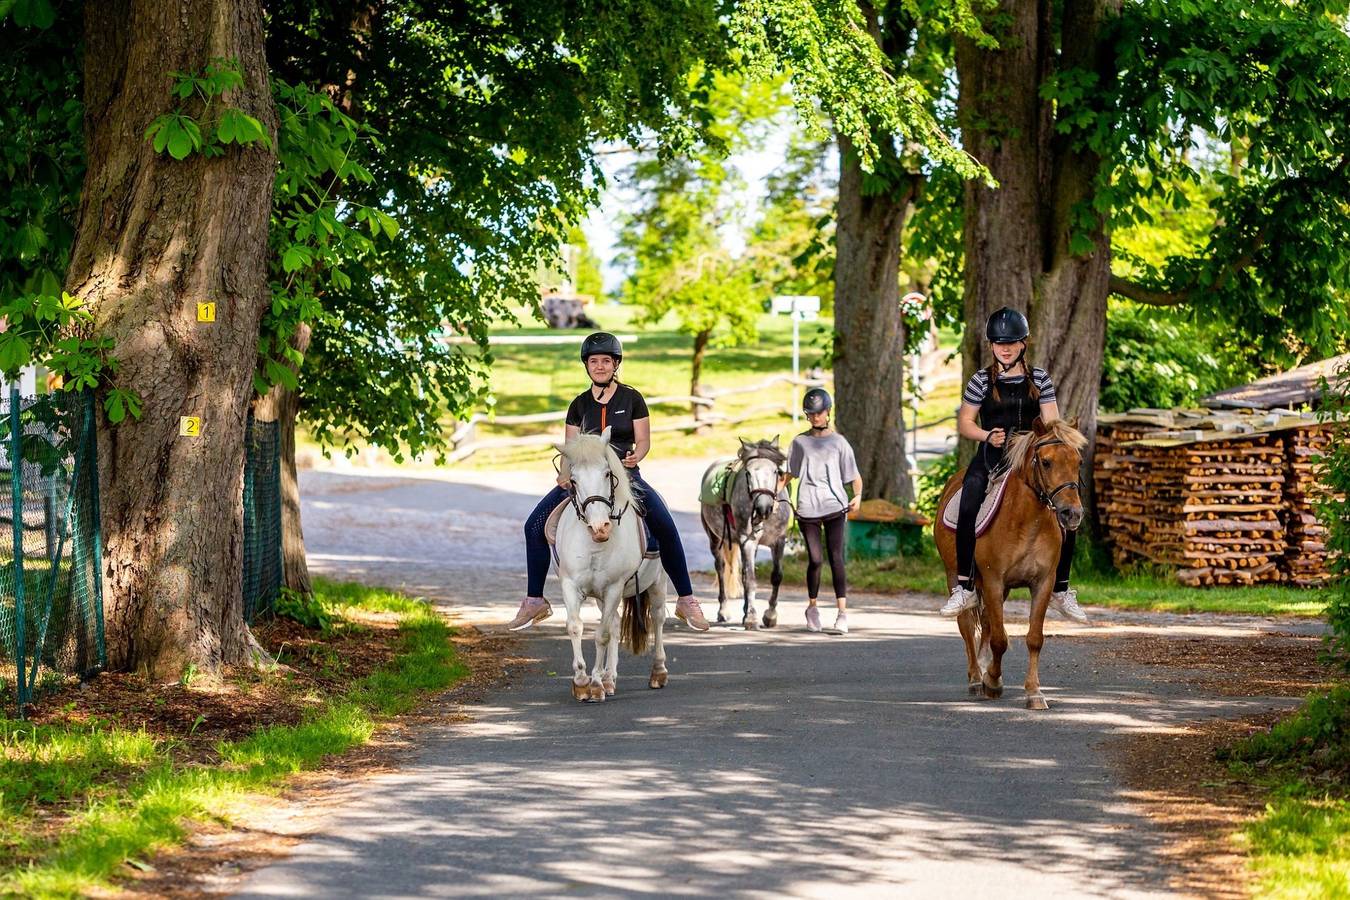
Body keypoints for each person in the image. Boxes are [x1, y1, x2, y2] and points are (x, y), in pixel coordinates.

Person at [506, 332, 711, 632]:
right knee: (533, 526)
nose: (599, 366)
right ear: (586, 366)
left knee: (665, 524)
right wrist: (565, 473)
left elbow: (643, 441)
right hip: (585, 479)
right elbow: (570, 446)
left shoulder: (633, 399)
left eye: (605, 361)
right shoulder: (578, 405)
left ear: (616, 364)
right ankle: (535, 599)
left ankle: (686, 598)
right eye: (594, 361)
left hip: (624, 476)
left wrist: (635, 457)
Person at [938, 307, 1088, 624]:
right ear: (992, 346)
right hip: (993, 454)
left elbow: (1050, 421)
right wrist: (985, 434)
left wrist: (1056, 439)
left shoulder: (1040, 379)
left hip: (1032, 458)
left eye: (1011, 342)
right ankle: (964, 586)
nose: (1004, 348)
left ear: (1023, 344)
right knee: (969, 498)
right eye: (998, 343)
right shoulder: (980, 380)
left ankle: (1061, 588)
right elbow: (965, 422)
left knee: (1068, 503)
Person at [787, 388, 862, 634]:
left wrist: (858, 496)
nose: (815, 417)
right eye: (810, 414)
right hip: (807, 507)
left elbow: (854, 476)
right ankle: (812, 608)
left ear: (827, 412)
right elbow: (790, 474)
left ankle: (842, 613)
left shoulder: (839, 443)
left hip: (834, 506)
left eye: (818, 413)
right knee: (816, 560)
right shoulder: (799, 442)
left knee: (836, 558)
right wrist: (776, 495)